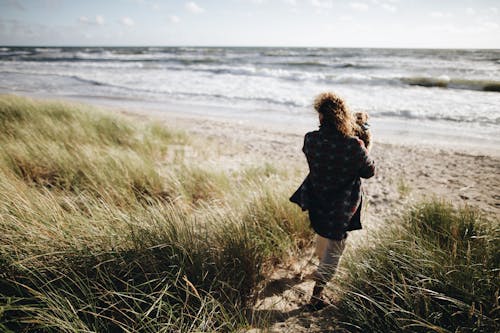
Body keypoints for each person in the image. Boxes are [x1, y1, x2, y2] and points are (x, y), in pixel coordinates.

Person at [290, 92, 375, 311]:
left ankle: (318, 268)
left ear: (321, 117)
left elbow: (326, 152)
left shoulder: (310, 139)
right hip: (342, 206)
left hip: (317, 198)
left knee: (322, 235)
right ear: (344, 116)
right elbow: (368, 172)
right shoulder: (354, 145)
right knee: (336, 247)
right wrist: (366, 141)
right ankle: (317, 297)